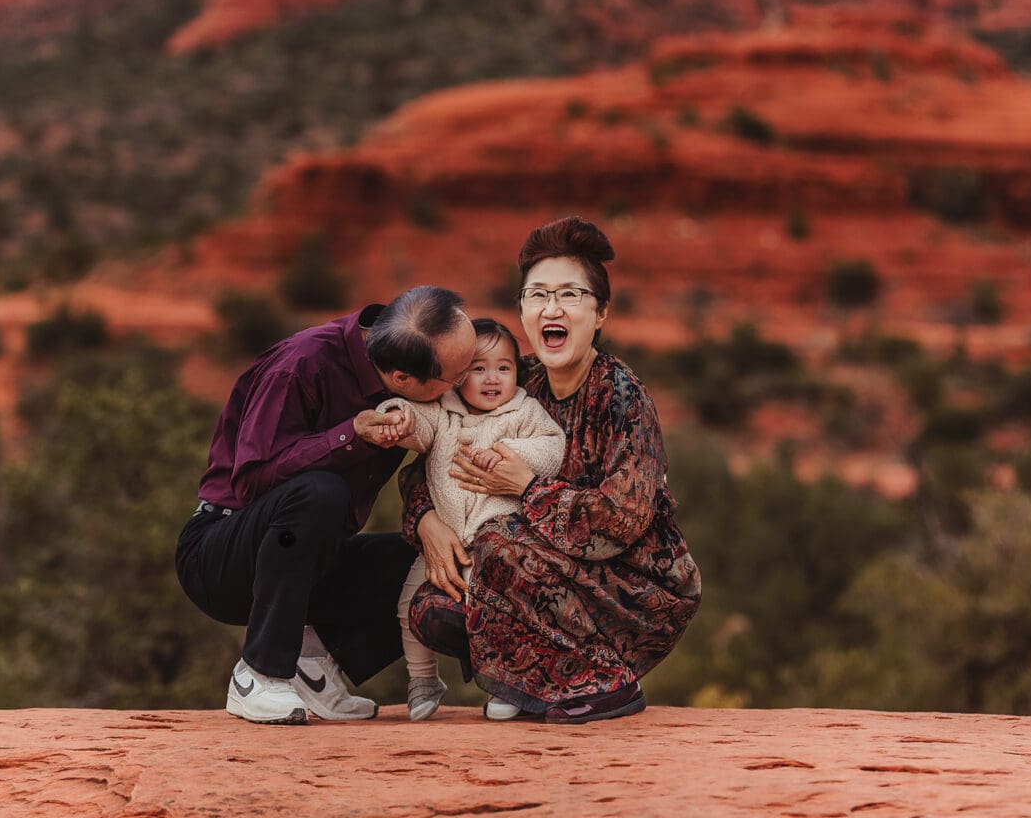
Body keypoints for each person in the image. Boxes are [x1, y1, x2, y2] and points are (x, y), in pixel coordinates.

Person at [401, 216, 701, 724]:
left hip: (636, 586)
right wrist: (426, 520)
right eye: (536, 295)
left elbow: (619, 522)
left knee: (496, 543)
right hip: (532, 566)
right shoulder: (514, 385)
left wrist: (527, 486)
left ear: (600, 312)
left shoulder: (622, 399)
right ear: (521, 308)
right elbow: (430, 460)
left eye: (569, 295)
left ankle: (606, 685)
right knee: (433, 609)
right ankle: (527, 683)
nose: (551, 308)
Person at [175, 285, 478, 725]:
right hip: (221, 556)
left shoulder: (408, 380)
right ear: (403, 382)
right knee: (320, 492)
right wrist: (349, 435)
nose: (467, 381)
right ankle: (258, 674)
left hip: (314, 559)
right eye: (459, 375)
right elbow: (249, 482)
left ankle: (312, 668)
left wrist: (428, 522)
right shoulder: (301, 366)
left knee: (419, 560)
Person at [376, 318, 566, 721]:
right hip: (446, 543)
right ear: (459, 376)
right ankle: (423, 680)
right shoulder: (444, 410)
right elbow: (419, 426)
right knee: (407, 604)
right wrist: (398, 417)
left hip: (500, 546)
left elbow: (553, 448)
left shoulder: (524, 412)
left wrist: (511, 454)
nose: (492, 378)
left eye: (504, 367)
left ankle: (511, 684)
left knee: (505, 614)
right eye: (478, 368)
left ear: (517, 372)